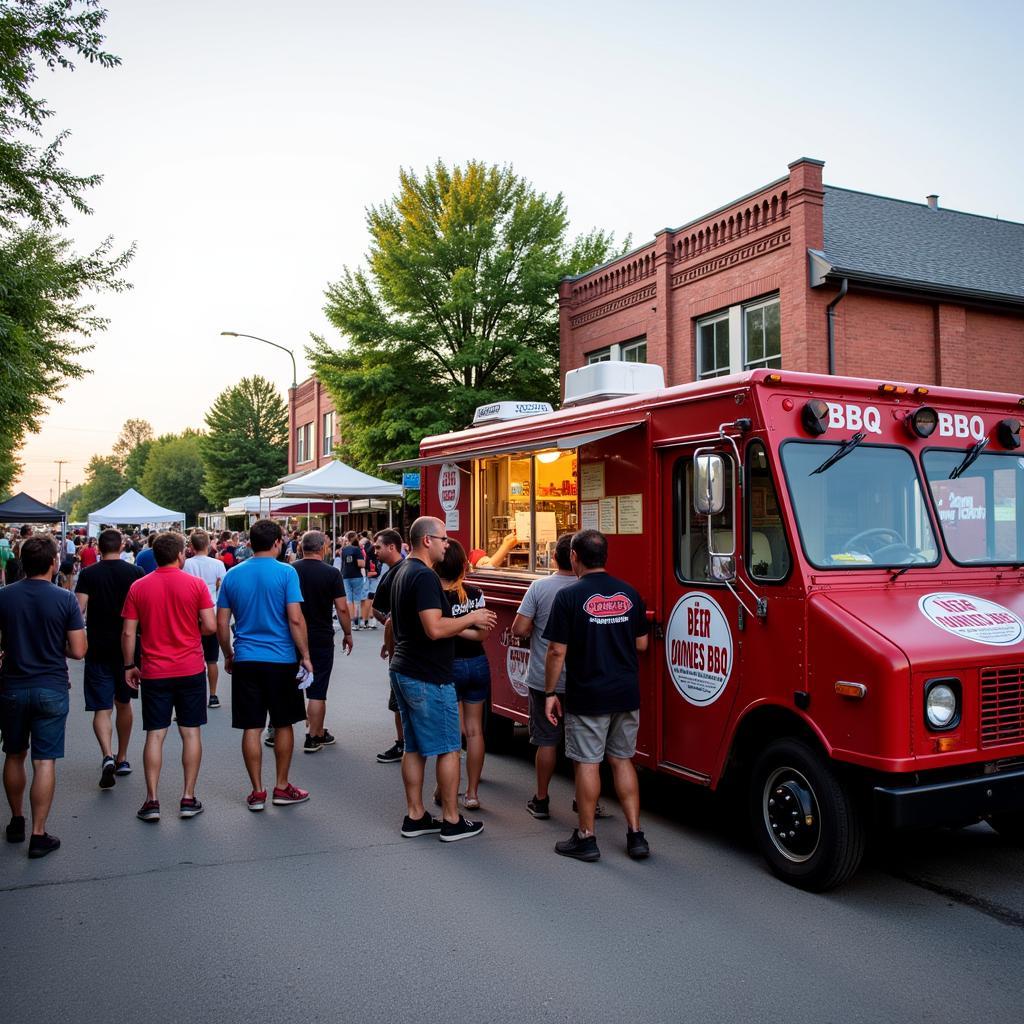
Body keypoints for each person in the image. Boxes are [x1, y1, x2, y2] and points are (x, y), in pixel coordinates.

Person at [543, 529, 651, 862]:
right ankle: (635, 835)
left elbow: (557, 652)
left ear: (574, 556)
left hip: (589, 694)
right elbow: (642, 644)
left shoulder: (569, 597)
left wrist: (549, 692)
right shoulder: (630, 593)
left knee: (588, 763)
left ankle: (586, 838)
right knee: (622, 760)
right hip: (625, 692)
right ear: (605, 556)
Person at [388, 516, 495, 842]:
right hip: (427, 674)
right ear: (427, 541)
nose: (448, 544)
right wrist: (471, 617)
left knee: (416, 747)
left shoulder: (403, 572)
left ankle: (416, 815)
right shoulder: (423, 577)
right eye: (444, 539)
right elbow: (434, 628)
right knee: (449, 748)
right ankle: (451, 819)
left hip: (405, 669)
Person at [216, 518, 313, 811]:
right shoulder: (286, 573)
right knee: (283, 724)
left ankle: (257, 791)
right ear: (277, 543)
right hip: (281, 659)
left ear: (249, 543)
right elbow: (295, 618)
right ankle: (281, 787)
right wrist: (305, 656)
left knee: (252, 726)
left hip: (246, 658)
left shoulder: (232, 574)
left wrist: (229, 653)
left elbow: (222, 622)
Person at [0, 535, 87, 857]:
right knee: (44, 760)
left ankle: (16, 820)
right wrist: (56, 646)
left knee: (13, 754)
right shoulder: (64, 599)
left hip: (12, 685)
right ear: (53, 563)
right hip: (50, 685)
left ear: (22, 562)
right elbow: (79, 650)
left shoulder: (4, 597)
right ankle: (39, 833)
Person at [121, 532, 215, 822]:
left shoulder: (138, 586)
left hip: (154, 670)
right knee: (191, 732)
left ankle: (152, 800)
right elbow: (210, 626)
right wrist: (191, 631)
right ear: (179, 555)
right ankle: (188, 797)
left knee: (155, 734)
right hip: (189, 668)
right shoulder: (196, 584)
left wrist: (128, 666)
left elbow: (128, 632)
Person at [512, 532, 578, 819]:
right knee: (583, 746)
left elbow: (519, 628)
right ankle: (586, 800)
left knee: (547, 741)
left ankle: (541, 799)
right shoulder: (587, 589)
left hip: (543, 679)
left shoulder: (539, 587)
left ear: (554, 557)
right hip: (581, 680)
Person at [75, 528, 145, 787]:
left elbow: (78, 608)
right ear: (123, 546)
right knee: (123, 704)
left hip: (98, 646)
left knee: (101, 708)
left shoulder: (89, 574)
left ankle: (107, 753)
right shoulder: (136, 573)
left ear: (99, 548)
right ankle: (123, 757)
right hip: (128, 649)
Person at [435, 539, 490, 810]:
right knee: (475, 731)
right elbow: (483, 633)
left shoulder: (434, 595)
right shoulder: (475, 592)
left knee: (451, 732)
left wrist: (450, 627)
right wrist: (467, 623)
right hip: (478, 662)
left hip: (448, 665)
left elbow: (435, 629)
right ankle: (472, 793)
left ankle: (445, 790)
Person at [293, 530, 352, 752]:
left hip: (293, 634)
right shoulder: (331, 574)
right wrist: (348, 633)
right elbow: (342, 607)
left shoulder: (291, 570)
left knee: (291, 684)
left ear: (301, 548)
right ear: (323, 549)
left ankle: (277, 730)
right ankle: (314, 735)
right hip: (320, 634)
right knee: (318, 689)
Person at [370, 528, 405, 763]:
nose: (375, 551)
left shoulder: (394, 574)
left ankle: (403, 744)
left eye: (378, 547)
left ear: (392, 547)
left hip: (402, 651)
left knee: (399, 700)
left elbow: (378, 610)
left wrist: (389, 629)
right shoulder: (411, 570)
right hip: (409, 647)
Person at [182, 530, 227, 709]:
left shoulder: (186, 564)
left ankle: (193, 696)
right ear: (209, 545)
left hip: (191, 613)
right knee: (211, 659)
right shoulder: (217, 564)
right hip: (212, 610)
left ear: (191, 547)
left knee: (192, 657)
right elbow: (222, 587)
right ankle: (213, 694)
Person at [340, 531, 366, 629]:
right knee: (357, 599)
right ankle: (356, 622)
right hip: (356, 575)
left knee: (349, 600)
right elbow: (361, 564)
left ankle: (351, 621)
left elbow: (343, 564)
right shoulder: (356, 549)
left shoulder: (344, 550)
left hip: (346, 575)